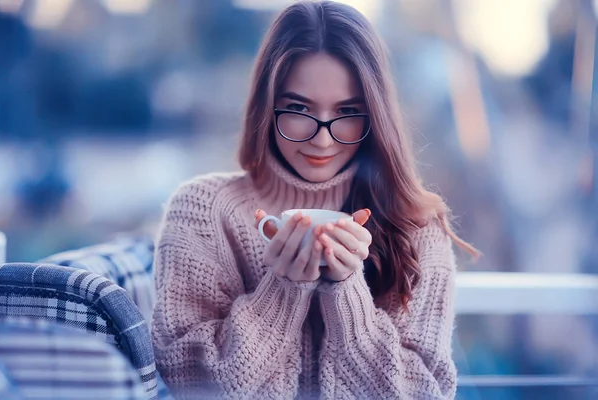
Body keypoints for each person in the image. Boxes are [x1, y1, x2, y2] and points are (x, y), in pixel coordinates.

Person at [152, 1, 478, 399]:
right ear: (266, 107)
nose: (321, 139)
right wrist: (282, 291)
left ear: (375, 116)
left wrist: (347, 296)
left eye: (347, 112)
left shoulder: (417, 226)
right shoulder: (203, 211)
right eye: (298, 108)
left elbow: (424, 392)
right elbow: (190, 383)